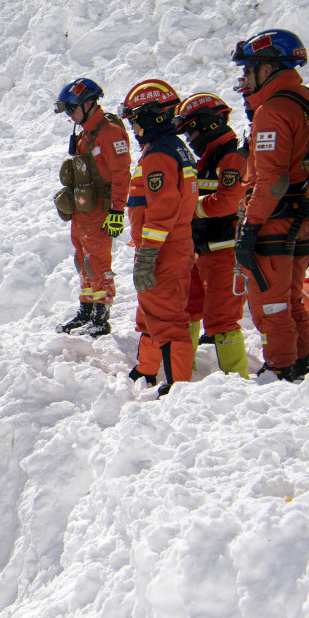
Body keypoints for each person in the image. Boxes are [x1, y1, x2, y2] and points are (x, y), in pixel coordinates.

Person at [232, 29, 309, 381]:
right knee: (293, 297)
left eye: (250, 69)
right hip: (304, 216)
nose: (245, 78)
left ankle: (280, 367)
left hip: (274, 220)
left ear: (267, 68)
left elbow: (272, 179)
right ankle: (301, 360)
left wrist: (250, 226)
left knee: (271, 300)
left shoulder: (273, 110)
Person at [121, 79, 198, 394]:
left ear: (152, 116)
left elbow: (163, 210)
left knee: (166, 317)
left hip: (163, 248)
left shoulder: (159, 155)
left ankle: (178, 386)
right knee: (151, 311)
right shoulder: (173, 148)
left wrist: (149, 253)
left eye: (135, 119)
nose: (134, 127)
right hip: (171, 245)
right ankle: (147, 369)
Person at [174, 92, 249, 377]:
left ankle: (237, 378)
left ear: (207, 124)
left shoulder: (233, 157)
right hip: (198, 247)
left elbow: (228, 202)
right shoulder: (206, 158)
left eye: (191, 129)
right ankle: (183, 371)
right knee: (188, 309)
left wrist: (189, 208)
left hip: (225, 250)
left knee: (222, 317)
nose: (189, 137)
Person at [52, 78, 132, 337]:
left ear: (87, 103)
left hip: (100, 210)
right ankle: (86, 310)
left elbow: (121, 174)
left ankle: (101, 316)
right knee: (83, 261)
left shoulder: (109, 133)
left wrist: (118, 212)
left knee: (98, 262)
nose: (69, 115)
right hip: (82, 211)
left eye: (71, 109)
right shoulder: (86, 132)